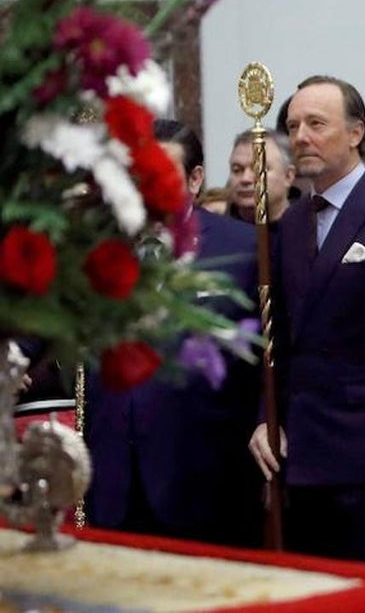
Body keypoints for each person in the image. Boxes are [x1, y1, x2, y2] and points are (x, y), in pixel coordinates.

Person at [248, 75, 365, 564]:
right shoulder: (294, 221)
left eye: (316, 124)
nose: (301, 137)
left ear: (357, 132)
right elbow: (279, 334)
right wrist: (266, 418)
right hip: (301, 450)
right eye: (293, 125)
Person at [87, 119, 263, 547]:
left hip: (203, 473)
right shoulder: (100, 246)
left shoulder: (243, 247)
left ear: (195, 179)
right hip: (113, 470)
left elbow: (274, 354)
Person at [226, 130, 296, 227]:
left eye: (259, 169)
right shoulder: (215, 231)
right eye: (237, 170)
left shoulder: (310, 228)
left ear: (288, 176)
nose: (245, 179)